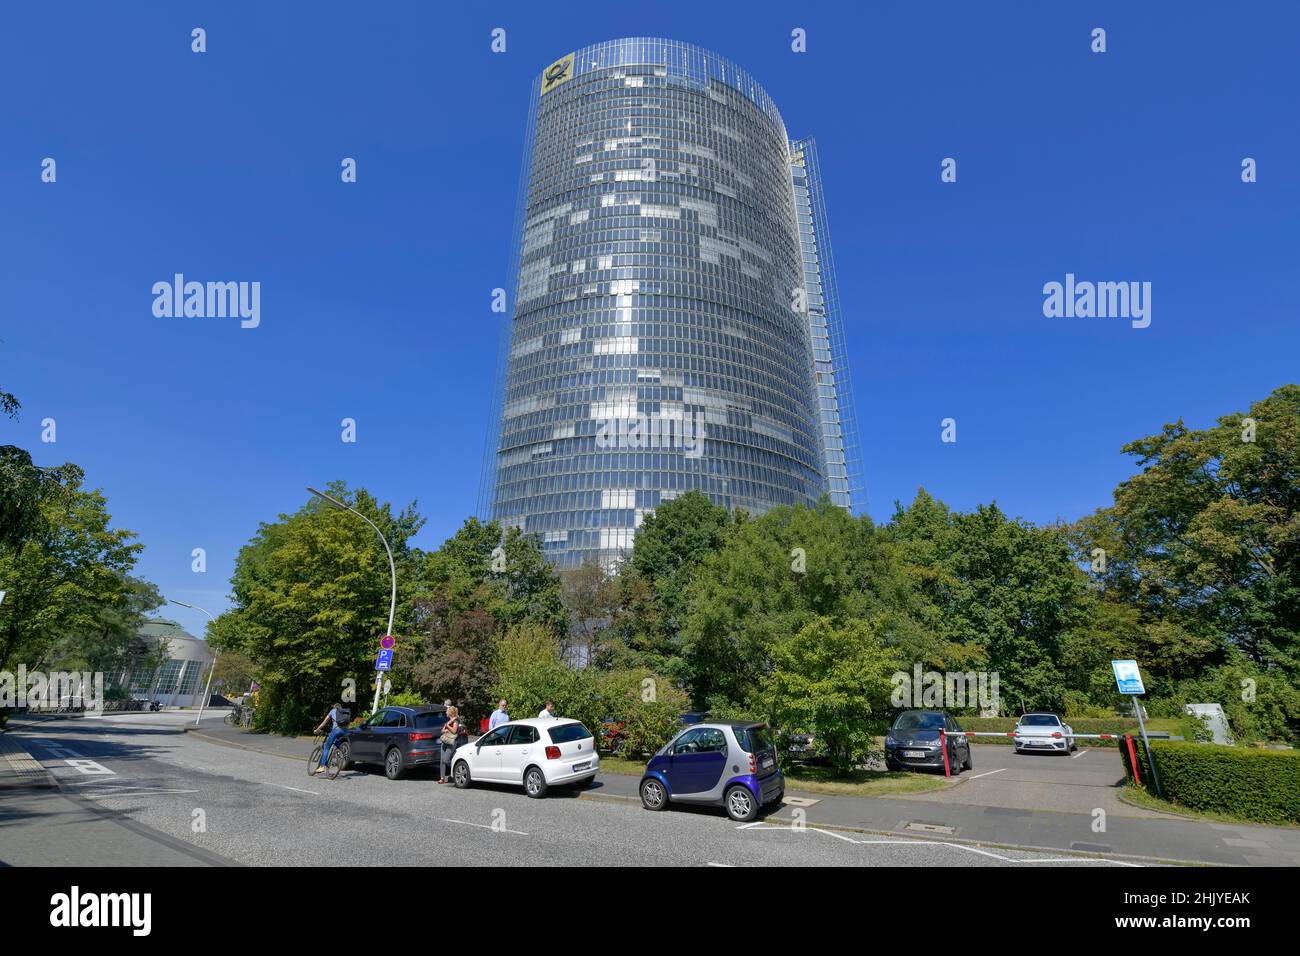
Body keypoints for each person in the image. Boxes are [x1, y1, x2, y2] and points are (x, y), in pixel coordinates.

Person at [312, 701, 350, 774]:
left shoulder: (333, 711)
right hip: (345, 732)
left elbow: (325, 722)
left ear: (334, 707)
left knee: (326, 747)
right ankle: (339, 754)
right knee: (337, 742)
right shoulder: (345, 712)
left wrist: (317, 730)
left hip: (336, 730)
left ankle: (322, 766)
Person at [438, 706, 461, 784]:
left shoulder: (455, 721)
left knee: (446, 760)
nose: (446, 712)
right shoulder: (449, 721)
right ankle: (442, 778)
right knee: (442, 761)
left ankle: (456, 771)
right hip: (444, 741)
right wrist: (446, 728)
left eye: (447, 711)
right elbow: (442, 731)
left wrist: (447, 727)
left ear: (450, 712)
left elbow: (454, 731)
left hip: (451, 743)